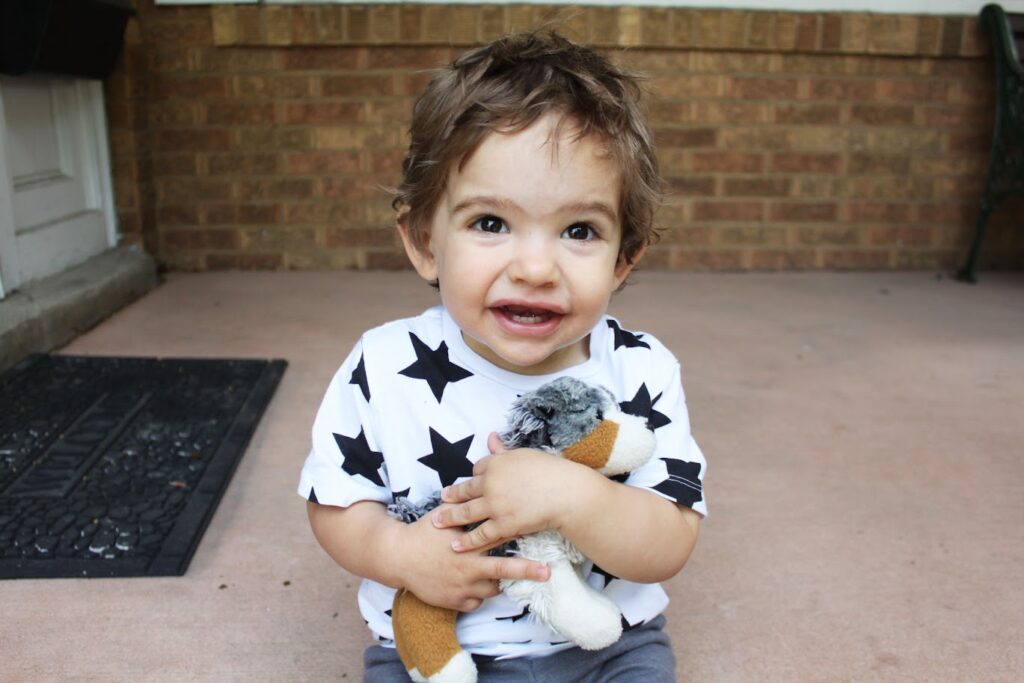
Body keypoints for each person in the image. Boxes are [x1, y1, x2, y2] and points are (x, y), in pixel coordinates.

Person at [299, 30, 707, 682]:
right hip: (438, 655)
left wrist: (576, 497)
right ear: (424, 240)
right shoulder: (383, 365)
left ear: (623, 259)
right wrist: (399, 552)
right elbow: (333, 500)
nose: (536, 267)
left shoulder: (641, 370)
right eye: (491, 222)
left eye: (579, 231)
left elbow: (670, 538)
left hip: (607, 651)